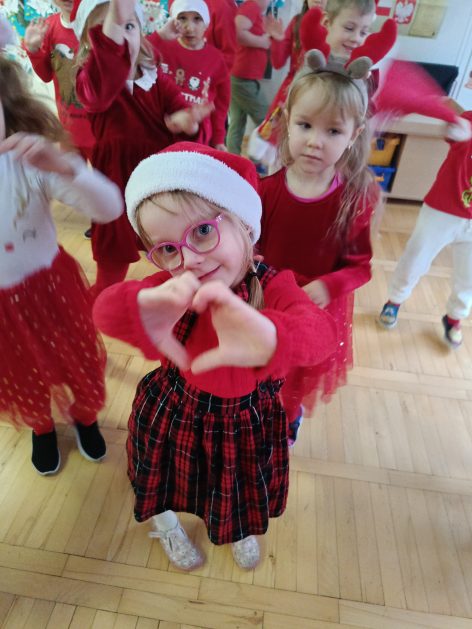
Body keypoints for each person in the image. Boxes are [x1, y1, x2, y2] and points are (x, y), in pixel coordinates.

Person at [93, 142, 337, 571]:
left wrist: (274, 337)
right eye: (168, 249)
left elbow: (322, 335)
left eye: (203, 231)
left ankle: (236, 527)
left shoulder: (273, 286)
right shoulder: (170, 289)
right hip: (175, 411)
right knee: (162, 476)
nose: (189, 258)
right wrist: (137, 308)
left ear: (243, 223)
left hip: (246, 421)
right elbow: (104, 310)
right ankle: (167, 524)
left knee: (234, 486)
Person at [0, 55, 123, 475]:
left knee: (77, 358)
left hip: (51, 288)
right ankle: (41, 425)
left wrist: (67, 168)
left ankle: (85, 415)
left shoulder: (28, 162)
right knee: (19, 369)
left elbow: (109, 208)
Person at [258, 49, 381, 444]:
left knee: (298, 371)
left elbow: (360, 266)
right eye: (305, 125)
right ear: (286, 121)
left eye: (333, 131)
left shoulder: (355, 199)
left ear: (353, 135)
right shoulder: (264, 190)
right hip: (270, 299)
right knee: (266, 363)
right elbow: (251, 248)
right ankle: (261, 410)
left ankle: (289, 416)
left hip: (317, 307)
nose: (314, 142)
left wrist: (328, 286)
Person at [73, 0, 212, 297]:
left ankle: (185, 302)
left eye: (129, 26)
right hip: (114, 188)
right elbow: (103, 74)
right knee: (111, 265)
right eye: (108, 31)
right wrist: (118, 16)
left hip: (156, 185)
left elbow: (183, 113)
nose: (121, 39)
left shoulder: (157, 80)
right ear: (89, 43)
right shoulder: (91, 83)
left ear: (141, 33)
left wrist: (187, 122)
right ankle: (103, 304)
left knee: (175, 250)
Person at [378, 112, 472, 349]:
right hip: (443, 209)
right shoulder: (468, 122)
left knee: (469, 276)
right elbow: (453, 131)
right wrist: (454, 127)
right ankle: (395, 300)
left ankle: (454, 318)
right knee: (415, 258)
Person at [149, 0, 230, 149]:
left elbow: (220, 105)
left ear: (206, 24)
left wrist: (218, 140)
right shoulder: (161, 48)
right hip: (162, 134)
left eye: (197, 19)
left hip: (197, 139)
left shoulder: (216, 59)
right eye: (182, 18)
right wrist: (159, 36)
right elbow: (138, 58)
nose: (189, 27)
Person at [23, 0, 95, 162]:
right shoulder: (48, 28)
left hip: (101, 130)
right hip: (69, 129)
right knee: (71, 174)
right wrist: (33, 49)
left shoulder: (99, 23)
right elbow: (46, 75)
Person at [226, 0, 271, 155]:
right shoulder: (251, 6)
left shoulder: (254, 10)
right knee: (265, 119)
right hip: (242, 78)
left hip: (239, 76)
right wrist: (262, 42)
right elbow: (238, 31)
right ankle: (257, 160)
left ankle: (232, 158)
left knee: (237, 122)